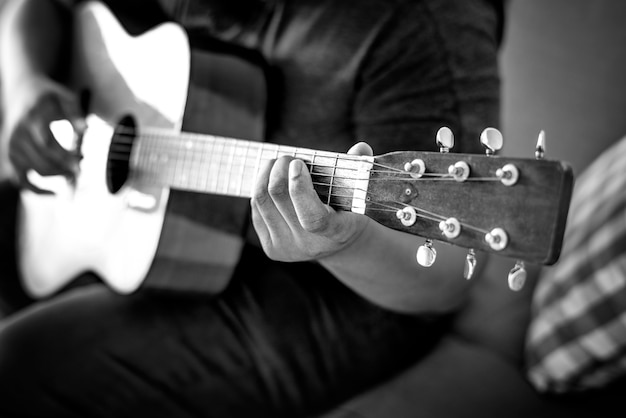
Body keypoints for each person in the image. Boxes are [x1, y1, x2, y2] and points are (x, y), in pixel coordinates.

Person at [0, 0, 504, 416]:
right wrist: (24, 86)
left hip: (340, 291)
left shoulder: (425, 22)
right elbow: (39, 9)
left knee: (19, 364)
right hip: (155, 219)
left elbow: (444, 278)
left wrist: (343, 240)